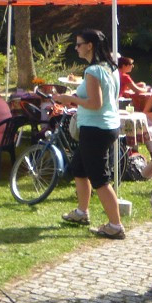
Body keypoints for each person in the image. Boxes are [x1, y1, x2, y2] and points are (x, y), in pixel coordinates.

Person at [55, 28, 126, 239]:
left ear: (90, 46)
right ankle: (81, 212)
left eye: (78, 44)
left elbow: (95, 104)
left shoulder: (93, 71)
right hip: (105, 126)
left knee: (99, 178)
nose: (76, 48)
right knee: (78, 167)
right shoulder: (110, 67)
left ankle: (115, 226)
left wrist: (71, 100)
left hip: (96, 129)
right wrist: (74, 95)